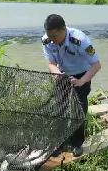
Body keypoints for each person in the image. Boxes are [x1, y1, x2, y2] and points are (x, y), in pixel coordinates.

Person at [41, 14, 101, 157]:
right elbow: (51, 64)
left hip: (82, 75)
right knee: (58, 109)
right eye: (50, 36)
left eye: (55, 36)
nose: (53, 41)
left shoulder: (80, 40)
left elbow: (97, 65)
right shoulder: (46, 40)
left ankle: (77, 144)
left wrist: (82, 81)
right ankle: (58, 143)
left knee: (78, 110)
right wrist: (57, 75)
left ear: (63, 30)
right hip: (61, 74)